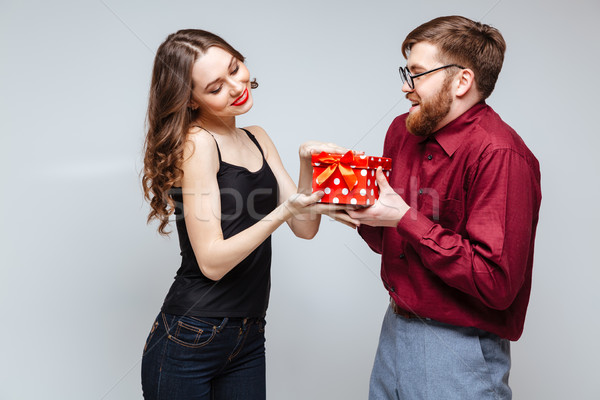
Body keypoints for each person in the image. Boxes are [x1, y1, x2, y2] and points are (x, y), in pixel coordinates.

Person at [140, 29, 353, 400]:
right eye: (215, 87)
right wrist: (283, 210)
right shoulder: (197, 144)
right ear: (190, 100)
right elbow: (212, 262)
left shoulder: (257, 137)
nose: (236, 86)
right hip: (191, 335)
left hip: (248, 334)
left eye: (235, 68)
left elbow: (304, 227)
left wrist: (307, 163)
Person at [348, 16, 541, 399]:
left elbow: (496, 282)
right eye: (406, 71)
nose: (406, 87)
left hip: (459, 347)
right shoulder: (401, 133)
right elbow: (392, 241)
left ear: (462, 81)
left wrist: (404, 217)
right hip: (395, 329)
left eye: (417, 73)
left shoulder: (501, 154)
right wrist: (354, 209)